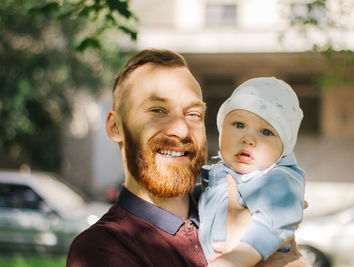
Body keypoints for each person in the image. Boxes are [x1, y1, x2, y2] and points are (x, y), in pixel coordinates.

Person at [66, 49, 310, 267]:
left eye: (193, 114)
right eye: (158, 111)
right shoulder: (102, 249)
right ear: (115, 126)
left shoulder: (230, 202)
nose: (181, 130)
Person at [198, 77, 305, 267]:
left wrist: (236, 259)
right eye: (239, 125)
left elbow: (274, 221)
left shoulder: (276, 178)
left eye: (266, 132)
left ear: (284, 148)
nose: (249, 139)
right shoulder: (220, 177)